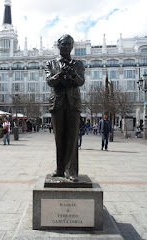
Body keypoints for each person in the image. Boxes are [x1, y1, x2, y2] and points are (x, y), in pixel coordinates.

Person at [46, 34, 85, 181]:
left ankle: (72, 171)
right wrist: (61, 74)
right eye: (64, 44)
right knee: (59, 138)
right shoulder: (51, 64)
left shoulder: (78, 64)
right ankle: (60, 169)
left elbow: (81, 82)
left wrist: (73, 74)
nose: (66, 47)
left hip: (73, 104)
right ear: (58, 45)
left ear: (72, 46)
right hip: (57, 104)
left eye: (69, 44)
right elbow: (50, 81)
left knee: (72, 137)